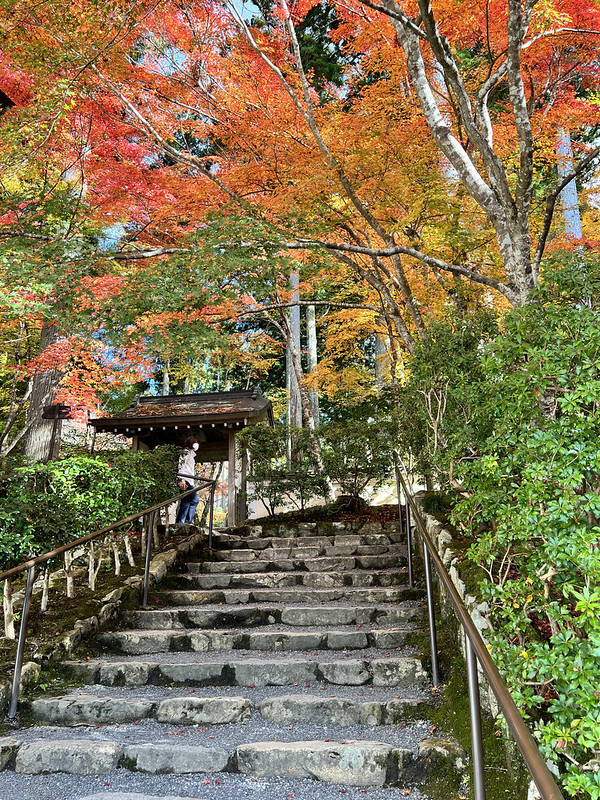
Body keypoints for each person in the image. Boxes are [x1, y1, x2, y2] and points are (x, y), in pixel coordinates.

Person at [176, 436, 200, 524]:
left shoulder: (191, 454)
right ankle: (185, 521)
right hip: (185, 479)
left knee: (186, 501)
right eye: (195, 442)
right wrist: (181, 479)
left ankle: (182, 522)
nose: (197, 444)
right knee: (194, 500)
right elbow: (181, 466)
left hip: (190, 480)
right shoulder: (185, 452)